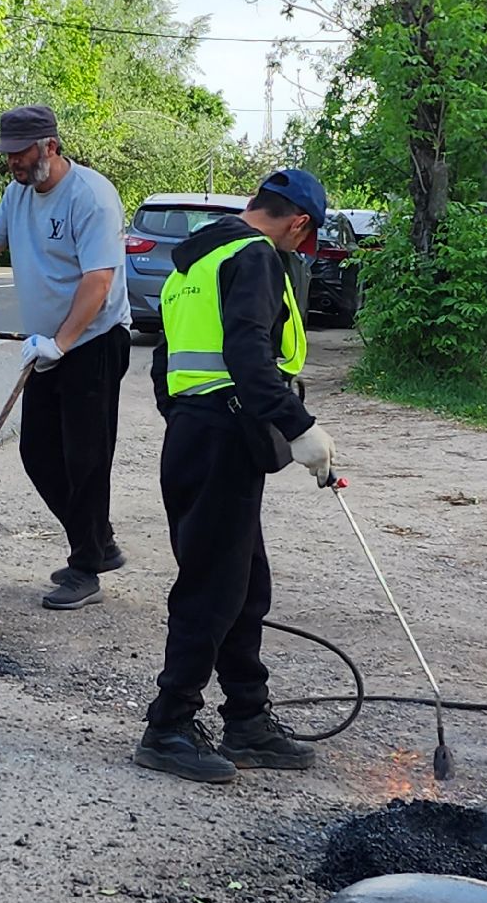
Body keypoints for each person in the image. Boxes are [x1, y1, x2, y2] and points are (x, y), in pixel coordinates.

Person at [131, 169, 338, 784]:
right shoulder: (255, 258)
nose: (302, 250)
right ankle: (167, 726)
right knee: (212, 587)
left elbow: (165, 358)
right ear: (298, 222)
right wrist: (298, 426)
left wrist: (189, 416)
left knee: (245, 582)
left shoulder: (191, 261)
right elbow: (249, 354)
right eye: (307, 239)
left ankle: (247, 719)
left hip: (197, 432)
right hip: (222, 434)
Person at [0, 105, 133, 610]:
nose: (14, 164)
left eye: (21, 153)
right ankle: (97, 541)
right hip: (50, 346)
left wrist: (60, 343)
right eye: (9, 155)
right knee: (38, 453)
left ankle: (86, 567)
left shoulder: (91, 197)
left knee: (86, 458)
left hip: (95, 342)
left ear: (50, 147)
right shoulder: (17, 195)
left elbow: (98, 281)